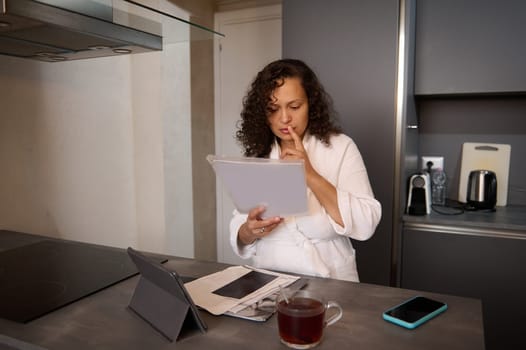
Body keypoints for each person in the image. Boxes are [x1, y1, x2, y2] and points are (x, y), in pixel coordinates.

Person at [229, 59, 381, 282]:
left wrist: (310, 174)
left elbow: (367, 222)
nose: (284, 118)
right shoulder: (257, 156)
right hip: (269, 281)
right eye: (273, 109)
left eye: (294, 106)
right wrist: (249, 231)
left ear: (311, 104)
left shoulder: (340, 147)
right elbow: (240, 230)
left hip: (331, 281)